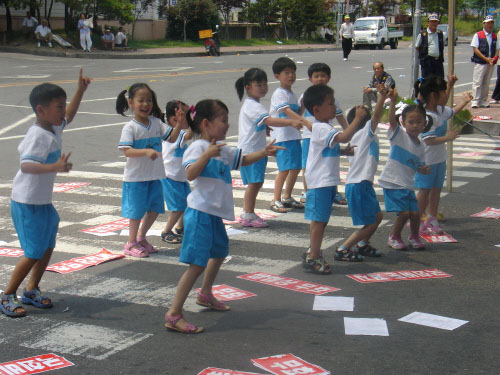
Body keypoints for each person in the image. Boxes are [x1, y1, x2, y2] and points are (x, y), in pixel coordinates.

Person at [164, 99, 284, 333]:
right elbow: (190, 173)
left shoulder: (222, 148)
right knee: (196, 264)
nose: (227, 125)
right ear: (207, 123)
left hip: (214, 215)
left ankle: (205, 294)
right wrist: (206, 155)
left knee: (219, 252)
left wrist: (264, 152)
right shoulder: (198, 148)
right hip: (199, 214)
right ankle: (174, 313)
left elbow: (243, 159)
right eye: (224, 120)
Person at [0, 69, 91, 318]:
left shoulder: (53, 126)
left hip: (42, 202)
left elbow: (70, 116)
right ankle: (7, 294)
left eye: (62, 106)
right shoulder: (37, 135)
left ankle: (31, 289)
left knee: (47, 244)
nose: (63, 111)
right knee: (32, 251)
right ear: (41, 110)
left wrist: (80, 91)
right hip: (26, 202)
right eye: (58, 107)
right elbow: (25, 165)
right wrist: (55, 167)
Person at [301, 84, 363, 274]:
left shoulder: (325, 127)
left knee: (321, 220)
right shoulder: (320, 128)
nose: (334, 107)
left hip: (325, 182)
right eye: (330, 104)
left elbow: (330, 148)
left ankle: (313, 250)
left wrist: (344, 151)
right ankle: (313, 257)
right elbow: (344, 136)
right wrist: (358, 119)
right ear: (317, 110)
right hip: (320, 183)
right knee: (319, 221)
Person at [116, 83, 182, 258]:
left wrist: (180, 123)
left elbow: (172, 137)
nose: (145, 104)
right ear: (131, 102)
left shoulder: (156, 123)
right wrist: (145, 151)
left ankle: (141, 237)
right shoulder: (130, 127)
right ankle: (130, 243)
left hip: (155, 176)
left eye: (149, 100)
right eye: (141, 101)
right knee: (136, 212)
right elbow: (127, 150)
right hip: (135, 178)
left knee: (154, 209)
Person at [235, 68, 303, 227]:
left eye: (265, 84)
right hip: (252, 151)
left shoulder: (253, 104)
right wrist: (291, 122)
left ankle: (249, 213)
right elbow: (270, 120)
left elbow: (258, 123)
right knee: (254, 183)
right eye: (259, 85)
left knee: (256, 183)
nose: (263, 88)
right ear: (248, 87)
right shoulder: (253, 105)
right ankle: (248, 214)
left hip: (255, 149)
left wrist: (263, 129)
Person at [337, 84, 389, 261]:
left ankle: (362, 244)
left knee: (377, 217)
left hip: (363, 183)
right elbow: (376, 116)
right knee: (370, 222)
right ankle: (343, 248)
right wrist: (382, 96)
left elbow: (374, 117)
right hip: (358, 185)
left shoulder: (360, 135)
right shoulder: (364, 134)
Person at [415, 75, 472, 234]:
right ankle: (417, 220)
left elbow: (451, 112)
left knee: (436, 190)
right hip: (426, 161)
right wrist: (448, 137)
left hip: (439, 159)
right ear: (434, 95)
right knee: (424, 191)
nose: (446, 96)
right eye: (444, 92)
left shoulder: (439, 110)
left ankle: (432, 217)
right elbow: (428, 140)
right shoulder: (427, 117)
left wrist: (464, 102)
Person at [378, 96, 431, 250]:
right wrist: (393, 101)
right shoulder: (399, 136)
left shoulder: (421, 145)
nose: (415, 126)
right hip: (392, 181)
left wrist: (424, 169)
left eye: (419, 122)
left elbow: (419, 165)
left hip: (407, 184)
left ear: (424, 123)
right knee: (405, 213)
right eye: (411, 122)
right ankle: (394, 237)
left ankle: (414, 237)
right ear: (403, 122)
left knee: (415, 214)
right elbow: (391, 120)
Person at [298, 63, 349, 205]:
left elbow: (340, 116)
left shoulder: (332, 98)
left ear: (329, 78)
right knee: (307, 165)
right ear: (310, 79)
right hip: (310, 137)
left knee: (330, 162)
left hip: (328, 135)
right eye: (316, 76)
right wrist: (296, 125)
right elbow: (299, 114)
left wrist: (348, 130)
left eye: (323, 76)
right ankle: (307, 191)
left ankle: (334, 191)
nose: (320, 79)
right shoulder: (306, 96)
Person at [269, 57, 311, 213]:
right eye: (286, 73)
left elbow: (296, 112)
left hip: (293, 136)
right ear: (277, 76)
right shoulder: (279, 93)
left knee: (295, 167)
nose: (291, 76)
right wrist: (305, 122)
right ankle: (275, 199)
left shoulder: (291, 94)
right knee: (284, 169)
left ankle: (287, 196)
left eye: (293, 72)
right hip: (283, 137)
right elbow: (286, 111)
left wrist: (303, 107)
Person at [160, 100, 192, 244]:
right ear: (175, 119)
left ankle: (180, 227)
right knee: (178, 207)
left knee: (187, 202)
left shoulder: (176, 134)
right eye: (186, 116)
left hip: (179, 178)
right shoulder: (174, 135)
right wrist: (197, 122)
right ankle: (166, 231)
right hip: (170, 178)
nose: (189, 119)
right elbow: (190, 135)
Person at [470, 15, 499, 108]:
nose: (490, 25)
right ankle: (475, 100)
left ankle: (483, 100)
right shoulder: (478, 35)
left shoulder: (494, 36)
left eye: (491, 23)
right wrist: (485, 59)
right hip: (480, 62)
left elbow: (497, 49)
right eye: (488, 23)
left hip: (490, 63)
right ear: (484, 24)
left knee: (486, 82)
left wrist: (494, 58)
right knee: (477, 82)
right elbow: (475, 49)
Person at [415, 14, 444, 79]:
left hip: (438, 61)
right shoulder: (423, 34)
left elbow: (442, 46)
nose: (434, 23)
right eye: (432, 22)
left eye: (436, 22)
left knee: (440, 81)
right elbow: (417, 47)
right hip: (427, 62)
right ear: (428, 23)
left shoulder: (440, 33)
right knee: (427, 81)